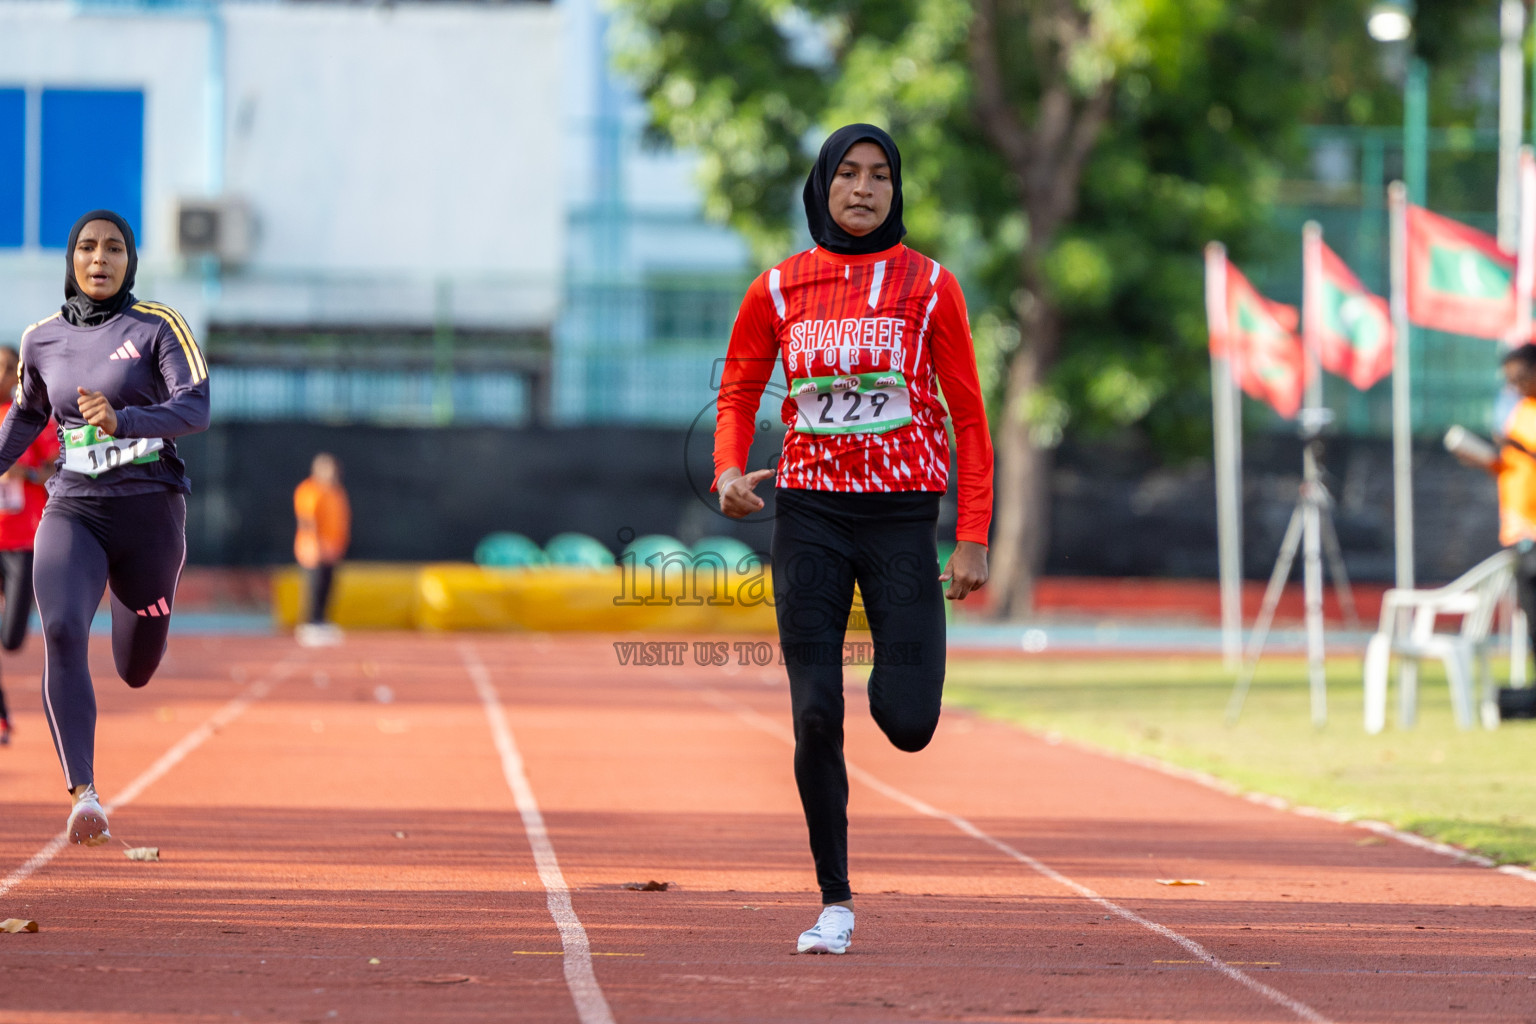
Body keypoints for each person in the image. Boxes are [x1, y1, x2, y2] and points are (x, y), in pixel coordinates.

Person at [713, 124, 993, 954]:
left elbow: (969, 416)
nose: (863, 189)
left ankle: (891, 686)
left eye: (878, 176)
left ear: (896, 189)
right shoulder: (777, 289)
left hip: (904, 520)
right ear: (821, 187)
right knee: (815, 714)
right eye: (847, 174)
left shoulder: (932, 286)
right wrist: (730, 469)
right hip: (810, 517)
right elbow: (736, 391)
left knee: (907, 722)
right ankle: (834, 900)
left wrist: (972, 534)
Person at [0, 209, 210, 845]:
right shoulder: (40, 340)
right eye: (87, 248)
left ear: (130, 261)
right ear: (71, 260)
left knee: (136, 668)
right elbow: (25, 418)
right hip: (74, 508)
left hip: (149, 512)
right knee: (61, 629)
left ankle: (146, 616)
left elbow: (195, 408)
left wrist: (125, 421)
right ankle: (83, 792)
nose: (99, 259)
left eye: (113, 248)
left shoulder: (157, 327)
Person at [1457, 343, 1536, 663]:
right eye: (1510, 380)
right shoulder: (1521, 411)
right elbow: (1515, 468)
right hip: (1520, 531)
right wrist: (1487, 462)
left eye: (1520, 377)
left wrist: (1519, 447)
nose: (1515, 386)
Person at [0, 345, 59, 746]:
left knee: (11, 639)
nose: (2, 374)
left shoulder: (29, 415)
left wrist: (26, 471)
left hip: (22, 542)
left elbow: (58, 465)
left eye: (8, 368)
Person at [293, 452, 350, 646]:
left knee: (328, 586)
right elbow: (308, 520)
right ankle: (310, 624)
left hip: (332, 549)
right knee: (314, 587)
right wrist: (316, 545)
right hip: (313, 550)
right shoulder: (310, 490)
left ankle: (322, 621)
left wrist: (338, 545)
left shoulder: (336, 492)